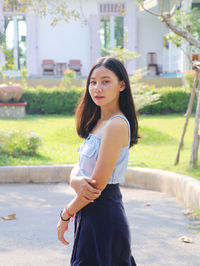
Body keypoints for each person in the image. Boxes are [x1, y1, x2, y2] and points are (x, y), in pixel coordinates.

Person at [57, 56, 139, 266]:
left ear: (121, 85)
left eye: (105, 81)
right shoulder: (98, 122)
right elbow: (82, 166)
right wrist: (73, 179)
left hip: (104, 215)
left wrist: (66, 215)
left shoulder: (116, 125)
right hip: (88, 213)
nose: (97, 88)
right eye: (93, 82)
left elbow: (96, 186)